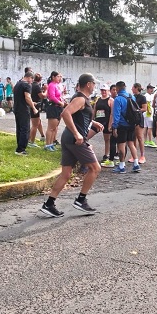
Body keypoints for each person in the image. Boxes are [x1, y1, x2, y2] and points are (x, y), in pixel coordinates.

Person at [40, 73, 102, 217]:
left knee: (66, 174)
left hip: (69, 138)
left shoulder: (79, 97)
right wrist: (77, 134)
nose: (95, 86)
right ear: (88, 84)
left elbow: (78, 115)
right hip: (75, 140)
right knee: (95, 168)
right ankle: (81, 200)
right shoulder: (81, 98)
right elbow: (66, 113)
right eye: (94, 83)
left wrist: (93, 122)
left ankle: (49, 204)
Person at [111, 81, 141, 173]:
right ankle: (136, 164)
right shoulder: (131, 96)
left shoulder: (118, 99)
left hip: (122, 125)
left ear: (117, 88)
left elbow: (116, 114)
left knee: (121, 145)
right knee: (131, 144)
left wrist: (114, 127)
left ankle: (121, 166)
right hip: (131, 124)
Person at [12, 71, 39, 155]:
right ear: (29, 77)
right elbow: (27, 97)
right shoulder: (27, 85)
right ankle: (21, 149)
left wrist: (31, 103)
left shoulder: (18, 84)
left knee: (19, 128)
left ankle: (19, 146)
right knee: (25, 129)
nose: (32, 81)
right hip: (23, 109)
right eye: (32, 79)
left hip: (17, 108)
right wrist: (33, 108)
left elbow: (21, 97)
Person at [93, 84, 114, 167]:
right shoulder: (98, 99)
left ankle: (106, 154)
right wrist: (92, 120)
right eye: (102, 90)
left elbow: (112, 113)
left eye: (105, 90)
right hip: (98, 121)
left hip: (106, 121)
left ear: (108, 91)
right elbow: (94, 110)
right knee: (87, 135)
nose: (103, 92)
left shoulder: (111, 100)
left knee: (107, 139)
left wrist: (110, 124)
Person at [45, 71, 66, 152]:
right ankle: (48, 144)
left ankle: (51, 143)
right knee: (51, 128)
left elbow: (59, 95)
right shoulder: (51, 85)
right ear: (53, 77)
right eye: (58, 76)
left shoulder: (57, 85)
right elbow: (52, 97)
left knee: (54, 127)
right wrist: (60, 102)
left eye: (60, 76)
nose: (59, 78)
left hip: (58, 108)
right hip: (53, 107)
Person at [131, 83, 147, 164]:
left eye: (133, 88)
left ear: (136, 88)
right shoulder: (131, 97)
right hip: (132, 119)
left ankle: (142, 156)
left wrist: (137, 110)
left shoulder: (142, 97)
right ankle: (134, 156)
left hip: (139, 118)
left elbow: (145, 108)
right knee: (133, 137)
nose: (131, 89)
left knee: (140, 137)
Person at [29, 73, 46, 147]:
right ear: (40, 79)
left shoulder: (31, 85)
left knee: (38, 121)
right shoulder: (37, 86)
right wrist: (46, 90)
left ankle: (42, 136)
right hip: (35, 106)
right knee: (35, 125)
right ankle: (31, 141)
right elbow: (42, 96)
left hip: (31, 104)